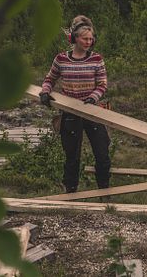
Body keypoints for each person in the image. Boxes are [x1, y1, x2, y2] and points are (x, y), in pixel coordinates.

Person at [39, 15, 111, 193]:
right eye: (85, 38)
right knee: (72, 157)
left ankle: (105, 191)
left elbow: (102, 84)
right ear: (74, 39)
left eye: (91, 38)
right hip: (70, 111)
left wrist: (93, 97)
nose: (89, 41)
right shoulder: (61, 59)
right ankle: (71, 193)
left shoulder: (96, 59)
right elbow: (50, 78)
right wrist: (45, 91)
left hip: (93, 110)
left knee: (102, 154)